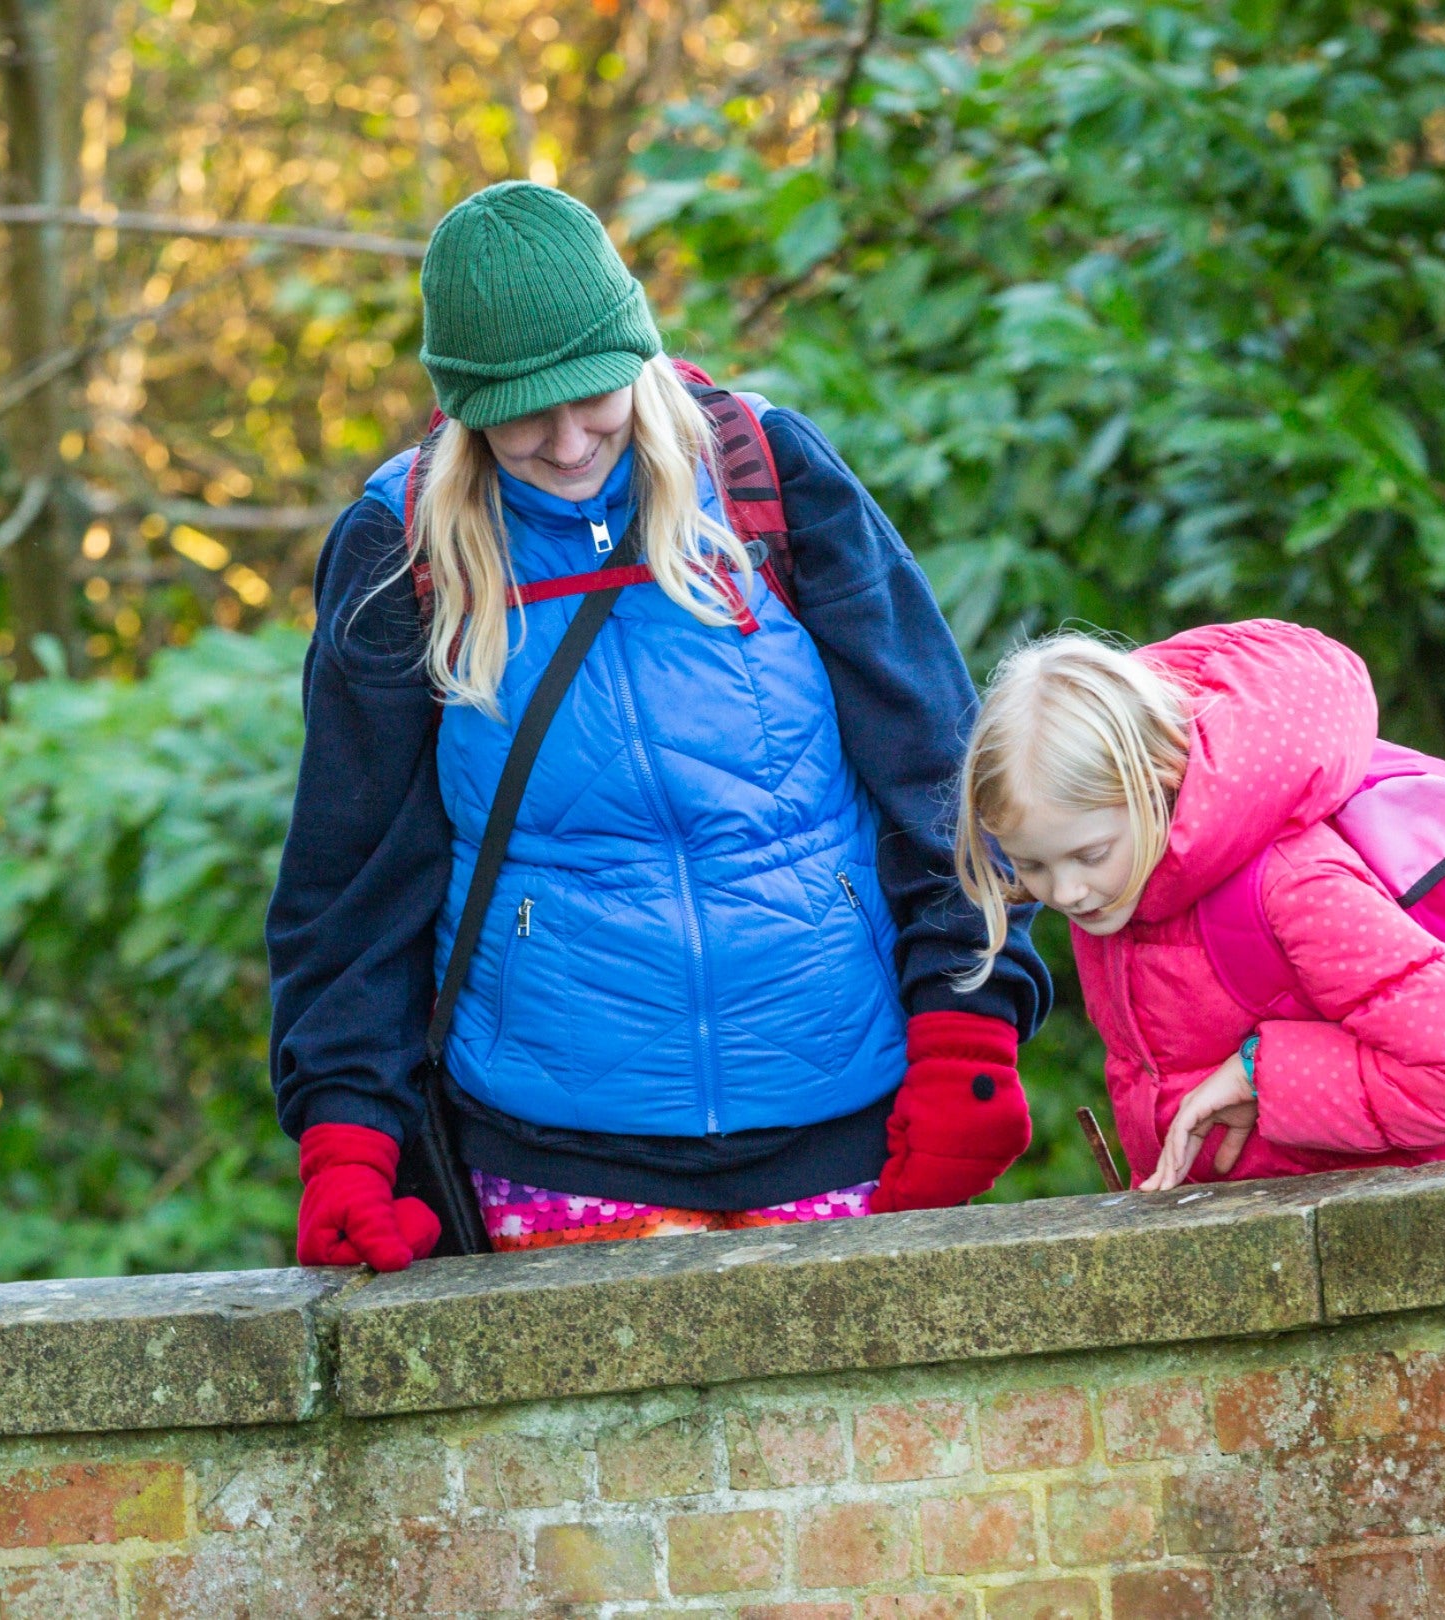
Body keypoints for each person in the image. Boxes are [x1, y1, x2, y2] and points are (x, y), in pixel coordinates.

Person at [266, 182, 1049, 1271]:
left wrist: (972, 1030)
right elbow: (351, 875)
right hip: (555, 1153)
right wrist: (347, 1134)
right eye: (523, 412)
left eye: (594, 396)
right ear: (458, 404)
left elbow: (939, 772)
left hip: (841, 1118)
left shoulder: (770, 475)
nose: (570, 439)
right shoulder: (400, 550)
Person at [951, 622, 1445, 1192]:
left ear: (1156, 784)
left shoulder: (1292, 885)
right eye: (1033, 866)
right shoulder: (1117, 896)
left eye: (1090, 854)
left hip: (1387, 1242)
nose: (1067, 892)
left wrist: (1261, 1076)